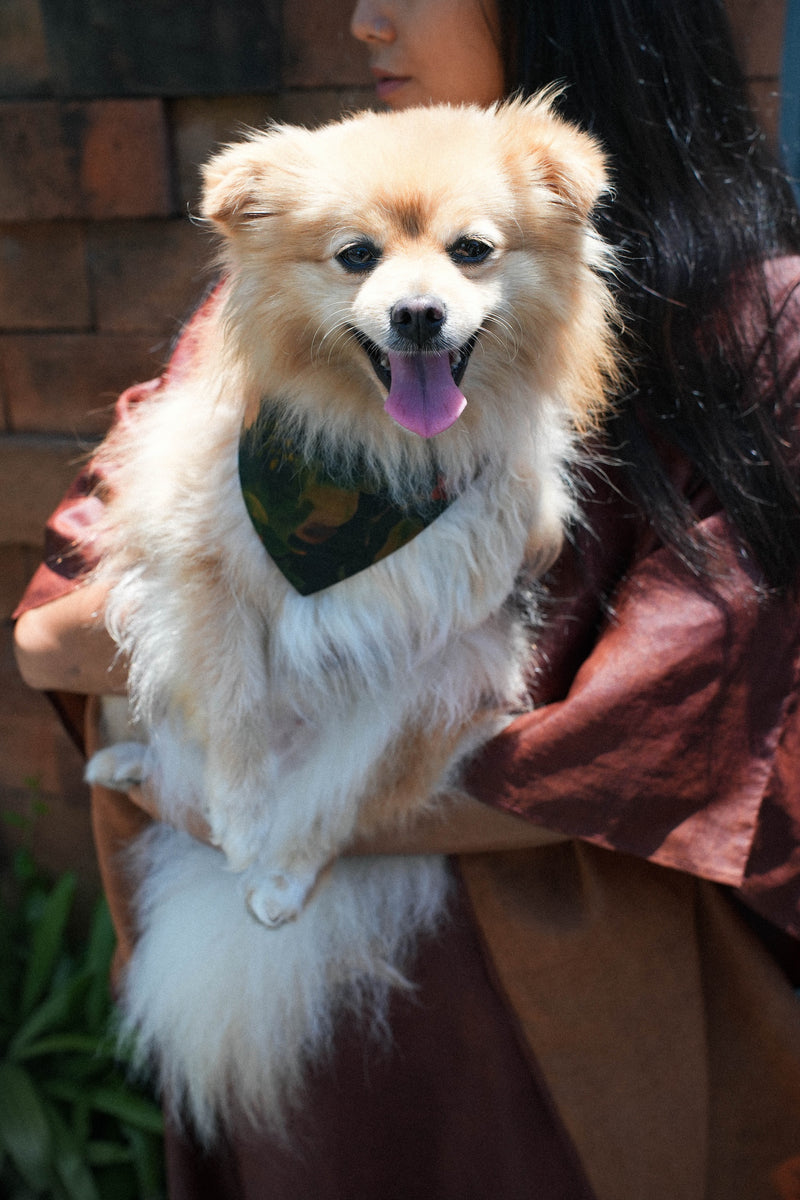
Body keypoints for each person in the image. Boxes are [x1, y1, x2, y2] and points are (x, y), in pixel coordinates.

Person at [13, 0, 800, 1195]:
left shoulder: (754, 326)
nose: (365, 19)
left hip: (558, 1057)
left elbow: (651, 748)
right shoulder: (296, 284)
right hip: (290, 1071)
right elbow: (56, 633)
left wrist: (260, 798)